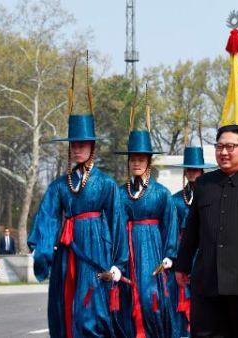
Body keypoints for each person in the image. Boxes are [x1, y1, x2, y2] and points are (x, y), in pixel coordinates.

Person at [175, 125, 238, 338]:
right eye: (219, 146)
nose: (223, 152)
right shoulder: (204, 183)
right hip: (207, 281)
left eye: (230, 147)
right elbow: (193, 228)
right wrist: (182, 265)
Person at [28, 112, 127, 337]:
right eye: (73, 145)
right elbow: (47, 217)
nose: (76, 149)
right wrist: (42, 250)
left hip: (96, 253)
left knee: (92, 312)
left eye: (82, 144)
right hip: (68, 254)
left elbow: (117, 222)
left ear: (93, 147)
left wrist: (118, 264)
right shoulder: (61, 185)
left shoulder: (106, 184)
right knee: (67, 307)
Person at [116, 128, 179, 338]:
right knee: (126, 299)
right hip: (126, 250)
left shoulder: (162, 193)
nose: (136, 163)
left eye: (141, 158)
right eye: (133, 158)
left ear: (148, 161)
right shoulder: (119, 192)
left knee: (149, 298)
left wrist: (169, 254)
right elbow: (113, 226)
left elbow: (170, 225)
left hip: (152, 250)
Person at [169, 146, 216, 337]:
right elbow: (171, 228)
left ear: (202, 170)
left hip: (204, 252)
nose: (192, 173)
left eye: (196, 169)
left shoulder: (211, 195)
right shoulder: (175, 199)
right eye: (189, 169)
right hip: (183, 251)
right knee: (179, 295)